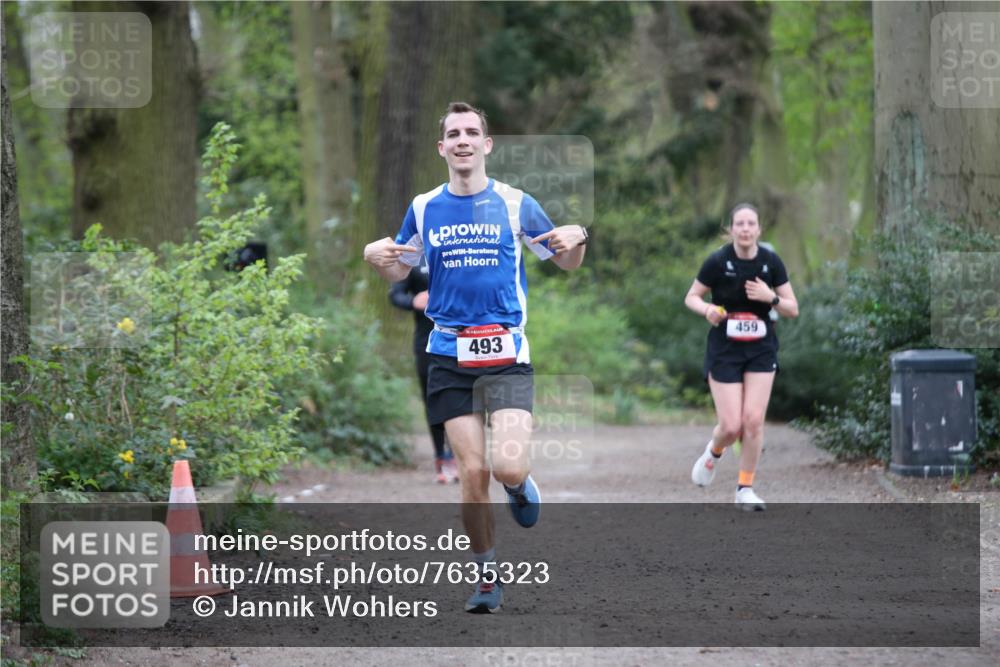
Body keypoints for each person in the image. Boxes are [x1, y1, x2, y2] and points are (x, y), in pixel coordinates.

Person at [364, 101, 587, 613]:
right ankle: (488, 578)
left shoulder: (515, 203)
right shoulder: (423, 207)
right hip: (447, 352)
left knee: (507, 467)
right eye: (453, 134)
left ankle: (519, 483)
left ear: (486, 145)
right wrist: (378, 261)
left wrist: (579, 238)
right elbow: (400, 269)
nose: (462, 140)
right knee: (471, 472)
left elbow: (566, 261)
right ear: (441, 148)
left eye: (472, 133)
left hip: (506, 350)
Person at [683, 203, 799, 511]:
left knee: (753, 422)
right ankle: (714, 451)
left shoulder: (770, 262)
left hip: (761, 347)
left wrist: (770, 297)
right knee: (732, 426)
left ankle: (745, 488)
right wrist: (707, 309)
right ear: (731, 229)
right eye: (740, 224)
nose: (746, 229)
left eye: (751, 224)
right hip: (725, 349)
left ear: (759, 229)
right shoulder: (718, 261)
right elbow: (691, 296)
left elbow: (792, 308)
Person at [388, 258, 459, 484]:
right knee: (433, 400)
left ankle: (461, 454)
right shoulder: (413, 258)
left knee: (459, 398)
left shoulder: (459, 247)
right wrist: (413, 301)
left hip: (462, 339)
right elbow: (395, 294)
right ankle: (442, 456)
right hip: (426, 341)